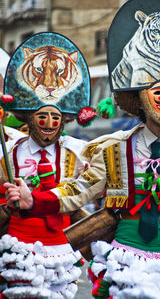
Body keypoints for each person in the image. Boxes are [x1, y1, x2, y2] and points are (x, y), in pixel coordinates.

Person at [4, 0, 160, 298]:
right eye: (157, 90)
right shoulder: (113, 149)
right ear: (139, 97)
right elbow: (76, 190)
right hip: (127, 263)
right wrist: (36, 200)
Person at [0, 31, 94, 299]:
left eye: (55, 117)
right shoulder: (7, 152)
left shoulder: (79, 152)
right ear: (29, 118)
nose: (49, 123)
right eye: (42, 116)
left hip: (61, 246)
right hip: (18, 243)